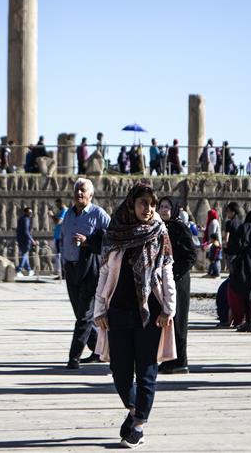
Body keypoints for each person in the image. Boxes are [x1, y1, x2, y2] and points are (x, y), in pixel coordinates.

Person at [93, 182, 176, 449]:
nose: (149, 209)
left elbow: (166, 272)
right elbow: (104, 273)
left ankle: (138, 425)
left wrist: (168, 308)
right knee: (119, 370)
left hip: (149, 313)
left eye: (152, 205)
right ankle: (134, 410)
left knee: (147, 372)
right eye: (143, 203)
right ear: (132, 203)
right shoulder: (115, 231)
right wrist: (99, 309)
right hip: (117, 310)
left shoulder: (159, 231)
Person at [59, 178, 111, 369]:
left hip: (90, 269)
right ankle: (99, 349)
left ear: (91, 195)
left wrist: (88, 241)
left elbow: (112, 235)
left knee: (85, 315)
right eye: (77, 191)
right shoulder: (69, 214)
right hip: (71, 268)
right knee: (80, 313)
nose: (79, 194)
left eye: (83, 191)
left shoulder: (98, 214)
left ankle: (74, 357)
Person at [158, 197, 196, 374]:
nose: (164, 210)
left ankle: (181, 361)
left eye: (167, 207)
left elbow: (191, 255)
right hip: (163, 280)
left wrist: (174, 273)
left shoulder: (180, 227)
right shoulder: (158, 227)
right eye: (162, 206)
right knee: (167, 319)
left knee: (179, 319)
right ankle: (169, 359)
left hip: (178, 280)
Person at [228, 209, 251, 333]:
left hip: (246, 262)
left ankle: (249, 323)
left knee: (247, 292)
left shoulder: (243, 227)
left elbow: (236, 245)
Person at [16, 207, 36, 277]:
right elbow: (26, 232)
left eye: (31, 212)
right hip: (26, 240)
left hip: (20, 239)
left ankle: (29, 270)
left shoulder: (20, 219)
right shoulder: (26, 220)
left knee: (25, 255)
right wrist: (32, 240)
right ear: (25, 212)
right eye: (29, 212)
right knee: (25, 254)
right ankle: (18, 270)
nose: (31, 214)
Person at [202, 209, 222, 277]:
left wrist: (209, 243)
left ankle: (215, 273)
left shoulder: (213, 222)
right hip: (214, 242)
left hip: (214, 243)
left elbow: (212, 233)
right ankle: (212, 273)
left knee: (214, 259)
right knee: (213, 259)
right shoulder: (214, 221)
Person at [53, 198, 68, 276]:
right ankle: (61, 274)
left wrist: (52, 216)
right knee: (59, 256)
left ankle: (64, 274)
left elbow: (58, 222)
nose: (57, 206)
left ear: (61, 203)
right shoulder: (61, 211)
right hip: (58, 236)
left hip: (61, 237)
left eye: (57, 204)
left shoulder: (64, 211)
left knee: (61, 256)